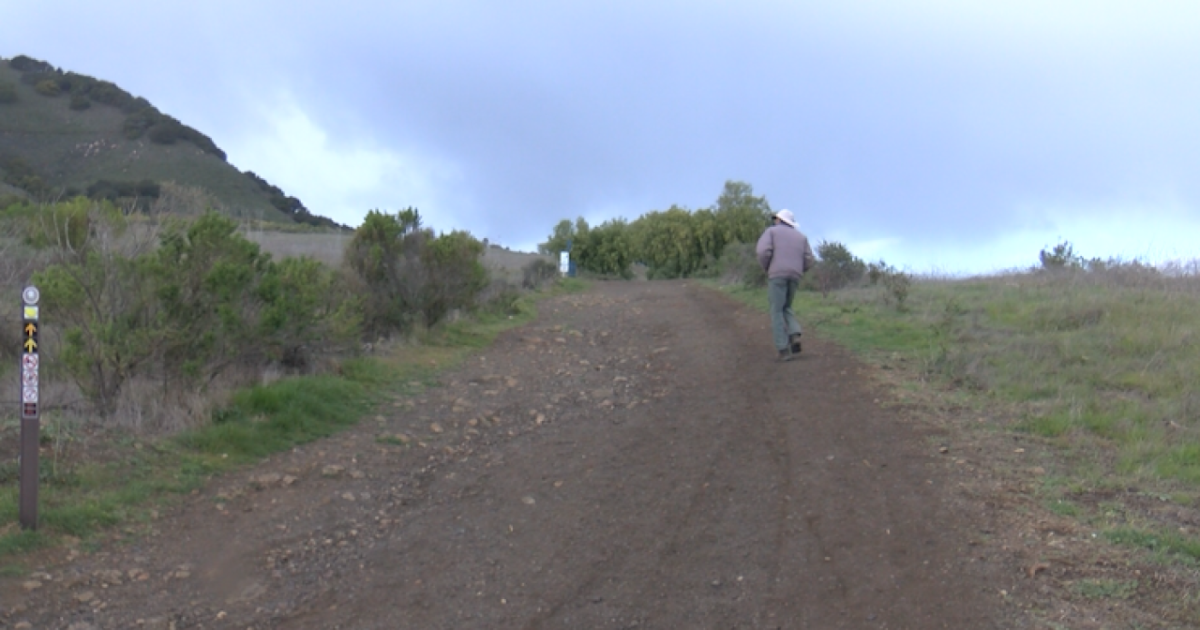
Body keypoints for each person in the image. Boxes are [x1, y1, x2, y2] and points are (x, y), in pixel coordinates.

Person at [755, 209, 815, 362]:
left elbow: (762, 251)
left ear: (779, 220)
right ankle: (794, 333)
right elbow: (809, 259)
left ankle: (783, 349)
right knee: (787, 306)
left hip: (777, 274)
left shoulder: (771, 232)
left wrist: (767, 267)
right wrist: (799, 269)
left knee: (776, 310)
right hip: (794, 275)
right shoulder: (801, 237)